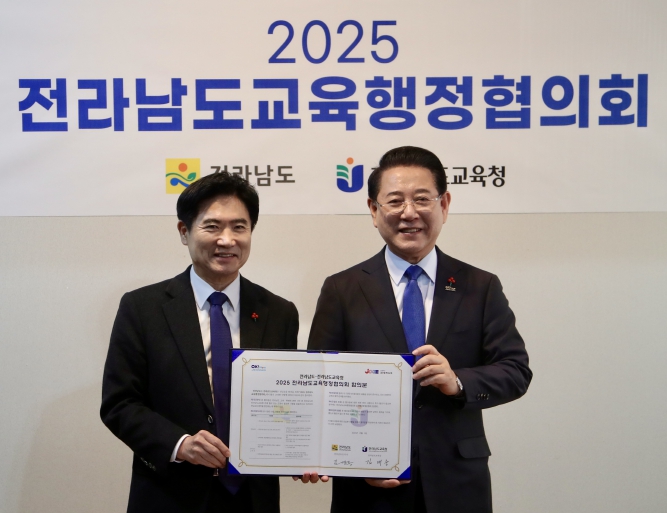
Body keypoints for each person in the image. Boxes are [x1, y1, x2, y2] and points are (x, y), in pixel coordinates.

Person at [307, 146, 532, 513]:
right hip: (369, 488)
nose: (409, 212)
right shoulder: (342, 289)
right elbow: (319, 385)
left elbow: (515, 371)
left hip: (457, 482)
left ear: (444, 205)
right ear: (374, 211)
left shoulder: (480, 286)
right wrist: (352, 463)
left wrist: (456, 381)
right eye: (395, 201)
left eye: (422, 199)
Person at [101, 172, 299, 513]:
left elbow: (289, 401)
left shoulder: (279, 312)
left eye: (239, 227)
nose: (227, 240)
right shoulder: (142, 308)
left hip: (253, 498)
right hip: (171, 495)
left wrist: (306, 449)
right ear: (184, 231)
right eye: (212, 227)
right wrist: (180, 444)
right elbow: (119, 403)